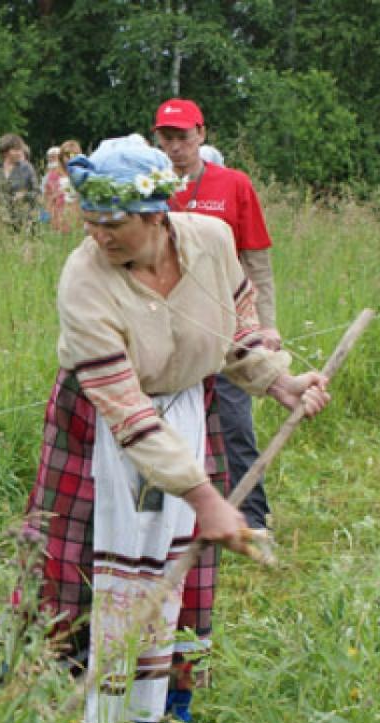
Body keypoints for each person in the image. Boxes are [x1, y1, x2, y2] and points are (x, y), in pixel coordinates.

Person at [21, 136, 329, 723]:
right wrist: (205, 496)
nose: (99, 237)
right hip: (101, 427)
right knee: (72, 564)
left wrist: (278, 381)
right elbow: (130, 415)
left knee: (174, 559)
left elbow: (234, 325)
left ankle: (156, 707)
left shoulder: (210, 242)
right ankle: (44, 697)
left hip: (189, 409)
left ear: (155, 214)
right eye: (90, 223)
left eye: (113, 224)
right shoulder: (84, 279)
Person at [154, 98, 278, 533]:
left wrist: (267, 325)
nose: (174, 148)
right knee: (163, 427)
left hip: (225, 327)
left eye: (183, 137)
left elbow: (257, 259)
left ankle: (253, 518)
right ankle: (165, 523)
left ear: (201, 135)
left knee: (235, 423)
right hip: (165, 333)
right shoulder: (147, 187)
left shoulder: (234, 185)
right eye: (166, 138)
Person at [0, 133, 40, 233]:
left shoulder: (27, 168)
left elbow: (37, 193)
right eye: (15, 150)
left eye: (20, 149)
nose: (19, 153)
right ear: (5, 151)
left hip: (22, 221)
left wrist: (24, 195)